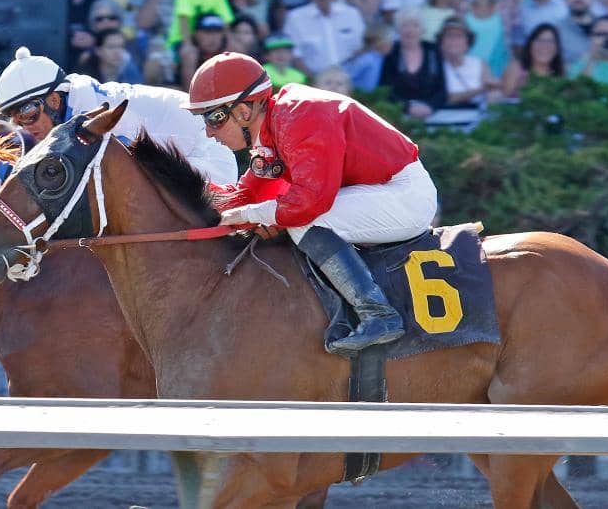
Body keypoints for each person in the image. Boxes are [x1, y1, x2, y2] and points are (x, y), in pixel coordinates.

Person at [185, 51, 437, 354]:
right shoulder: (275, 127)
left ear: (243, 111)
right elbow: (243, 196)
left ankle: (378, 315)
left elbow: (307, 203)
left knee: (304, 221)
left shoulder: (299, 116)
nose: (209, 132)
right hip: (377, 193)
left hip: (405, 196)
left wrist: (251, 213)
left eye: (213, 118)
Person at [0, 47, 237, 185]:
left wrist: (1, 169)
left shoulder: (94, 114)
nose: (24, 125)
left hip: (209, 168)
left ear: (54, 100)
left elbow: (61, 183)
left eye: (27, 112)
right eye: (15, 118)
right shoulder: (78, 105)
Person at [282, 0, 364, 78]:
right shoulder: (295, 17)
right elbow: (295, 55)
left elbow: (360, 48)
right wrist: (314, 81)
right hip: (313, 77)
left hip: (350, 76)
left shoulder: (351, 14)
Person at [378, 7, 446, 119]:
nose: (410, 30)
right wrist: (407, 107)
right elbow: (385, 88)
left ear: (422, 30)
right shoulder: (392, 51)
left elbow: (441, 89)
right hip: (397, 115)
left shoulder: (433, 51)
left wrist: (431, 107)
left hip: (431, 114)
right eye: (405, 25)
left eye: (415, 25)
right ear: (398, 30)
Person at [437, 15, 501, 108]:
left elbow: (491, 89)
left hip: (478, 113)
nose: (454, 40)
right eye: (449, 36)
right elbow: (444, 98)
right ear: (441, 42)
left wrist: (494, 91)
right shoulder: (436, 66)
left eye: (459, 36)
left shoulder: (479, 64)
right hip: (445, 113)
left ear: (467, 43)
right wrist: (480, 90)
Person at [501, 22, 564, 98]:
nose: (544, 46)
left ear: (557, 49)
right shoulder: (516, 69)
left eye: (550, 42)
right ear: (530, 44)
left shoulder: (559, 77)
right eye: (539, 40)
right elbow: (501, 99)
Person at [74, 28, 143, 84]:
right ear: (98, 50)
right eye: (111, 47)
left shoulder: (130, 71)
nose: (117, 52)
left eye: (121, 46)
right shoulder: (84, 77)